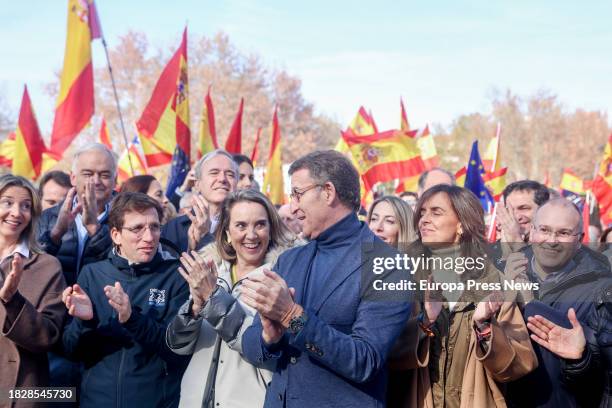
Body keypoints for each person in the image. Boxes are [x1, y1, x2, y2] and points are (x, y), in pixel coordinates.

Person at [239, 150, 412, 407]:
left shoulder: (389, 267)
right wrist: (269, 337)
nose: (293, 207)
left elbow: (363, 361)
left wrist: (291, 318)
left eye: (298, 194)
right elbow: (252, 347)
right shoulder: (290, 260)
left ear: (328, 192)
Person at [389, 184, 537, 408]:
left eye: (436, 212)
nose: (423, 220)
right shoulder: (404, 276)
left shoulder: (493, 281)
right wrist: (424, 322)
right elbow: (386, 354)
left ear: (461, 224)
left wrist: (485, 326)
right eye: (422, 213)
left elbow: (519, 365)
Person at [167, 189, 299, 408]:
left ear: (271, 229)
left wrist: (213, 297)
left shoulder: (280, 280)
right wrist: (194, 310)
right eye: (241, 225)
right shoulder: (210, 271)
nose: (251, 234)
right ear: (226, 231)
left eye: (260, 224)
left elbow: (262, 348)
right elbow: (178, 345)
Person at [61, 192, 190, 407]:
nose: (149, 237)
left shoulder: (177, 276)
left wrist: (131, 318)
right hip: (96, 401)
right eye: (137, 228)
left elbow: (176, 349)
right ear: (116, 235)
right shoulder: (92, 274)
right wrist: (84, 322)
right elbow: (71, 351)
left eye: (155, 227)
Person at [505, 198, 611, 407]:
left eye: (563, 233)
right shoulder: (500, 272)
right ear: (532, 232)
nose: (552, 240)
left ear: (579, 239)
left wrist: (580, 360)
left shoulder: (602, 288)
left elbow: (605, 380)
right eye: (544, 230)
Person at [0, 175, 67, 398]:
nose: (17, 212)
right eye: (7, 202)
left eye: (26, 206)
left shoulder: (47, 266)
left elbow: (47, 336)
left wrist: (13, 300)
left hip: (19, 391)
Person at [38, 143, 117, 287]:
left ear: (115, 181)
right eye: (88, 174)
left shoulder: (126, 219)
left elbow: (127, 269)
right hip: (55, 306)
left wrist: (95, 229)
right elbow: (31, 268)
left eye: (105, 175)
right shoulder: (46, 218)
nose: (96, 181)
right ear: (73, 178)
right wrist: (55, 236)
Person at [162, 149, 238, 253]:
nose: (222, 179)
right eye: (214, 173)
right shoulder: (173, 228)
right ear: (197, 184)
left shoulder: (244, 228)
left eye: (230, 174)